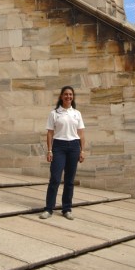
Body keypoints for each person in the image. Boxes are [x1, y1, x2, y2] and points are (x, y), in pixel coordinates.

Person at [39, 86, 85, 220]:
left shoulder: (77, 113)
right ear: (61, 96)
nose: (68, 97)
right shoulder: (54, 113)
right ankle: (48, 209)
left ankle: (67, 209)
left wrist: (82, 150)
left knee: (69, 180)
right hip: (59, 146)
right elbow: (50, 133)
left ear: (73, 97)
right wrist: (49, 150)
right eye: (66, 94)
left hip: (74, 146)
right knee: (55, 179)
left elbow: (81, 133)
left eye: (70, 94)